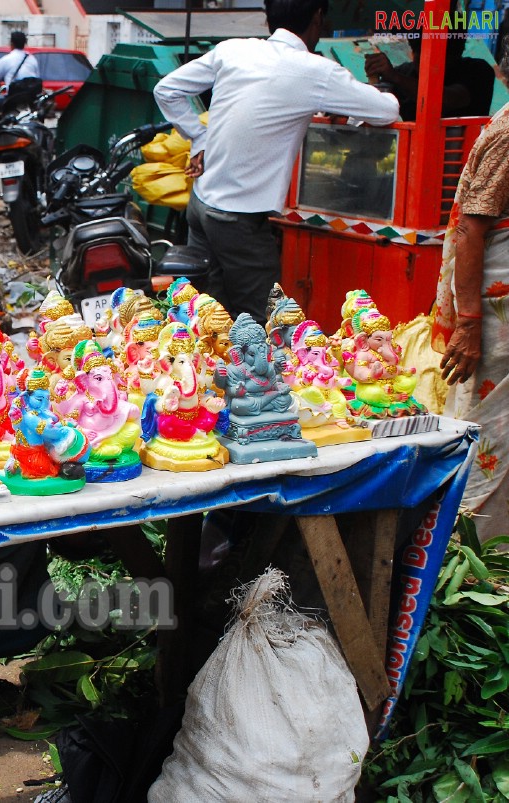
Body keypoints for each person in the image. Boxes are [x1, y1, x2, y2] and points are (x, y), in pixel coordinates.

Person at [153, 0, 400, 324]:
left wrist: (200, 138)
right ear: (318, 17)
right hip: (236, 219)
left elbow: (166, 89)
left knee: (206, 316)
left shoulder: (233, 50)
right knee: (256, 324)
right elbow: (386, 110)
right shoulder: (316, 71)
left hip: (200, 205)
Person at [433, 33, 509, 539]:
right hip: (495, 310)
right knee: (492, 432)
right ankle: (478, 557)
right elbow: (471, 229)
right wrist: (469, 325)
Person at [364, 32, 495, 121]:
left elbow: (445, 100)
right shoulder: (405, 72)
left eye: (432, 52)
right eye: (418, 49)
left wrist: (396, 77)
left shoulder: (478, 71)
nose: (422, 58)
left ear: (457, 51)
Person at [0, 30, 41, 128]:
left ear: (11, 43)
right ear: (24, 44)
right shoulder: (32, 59)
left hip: (13, 100)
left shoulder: (6, 60)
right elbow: (36, 77)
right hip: (30, 100)